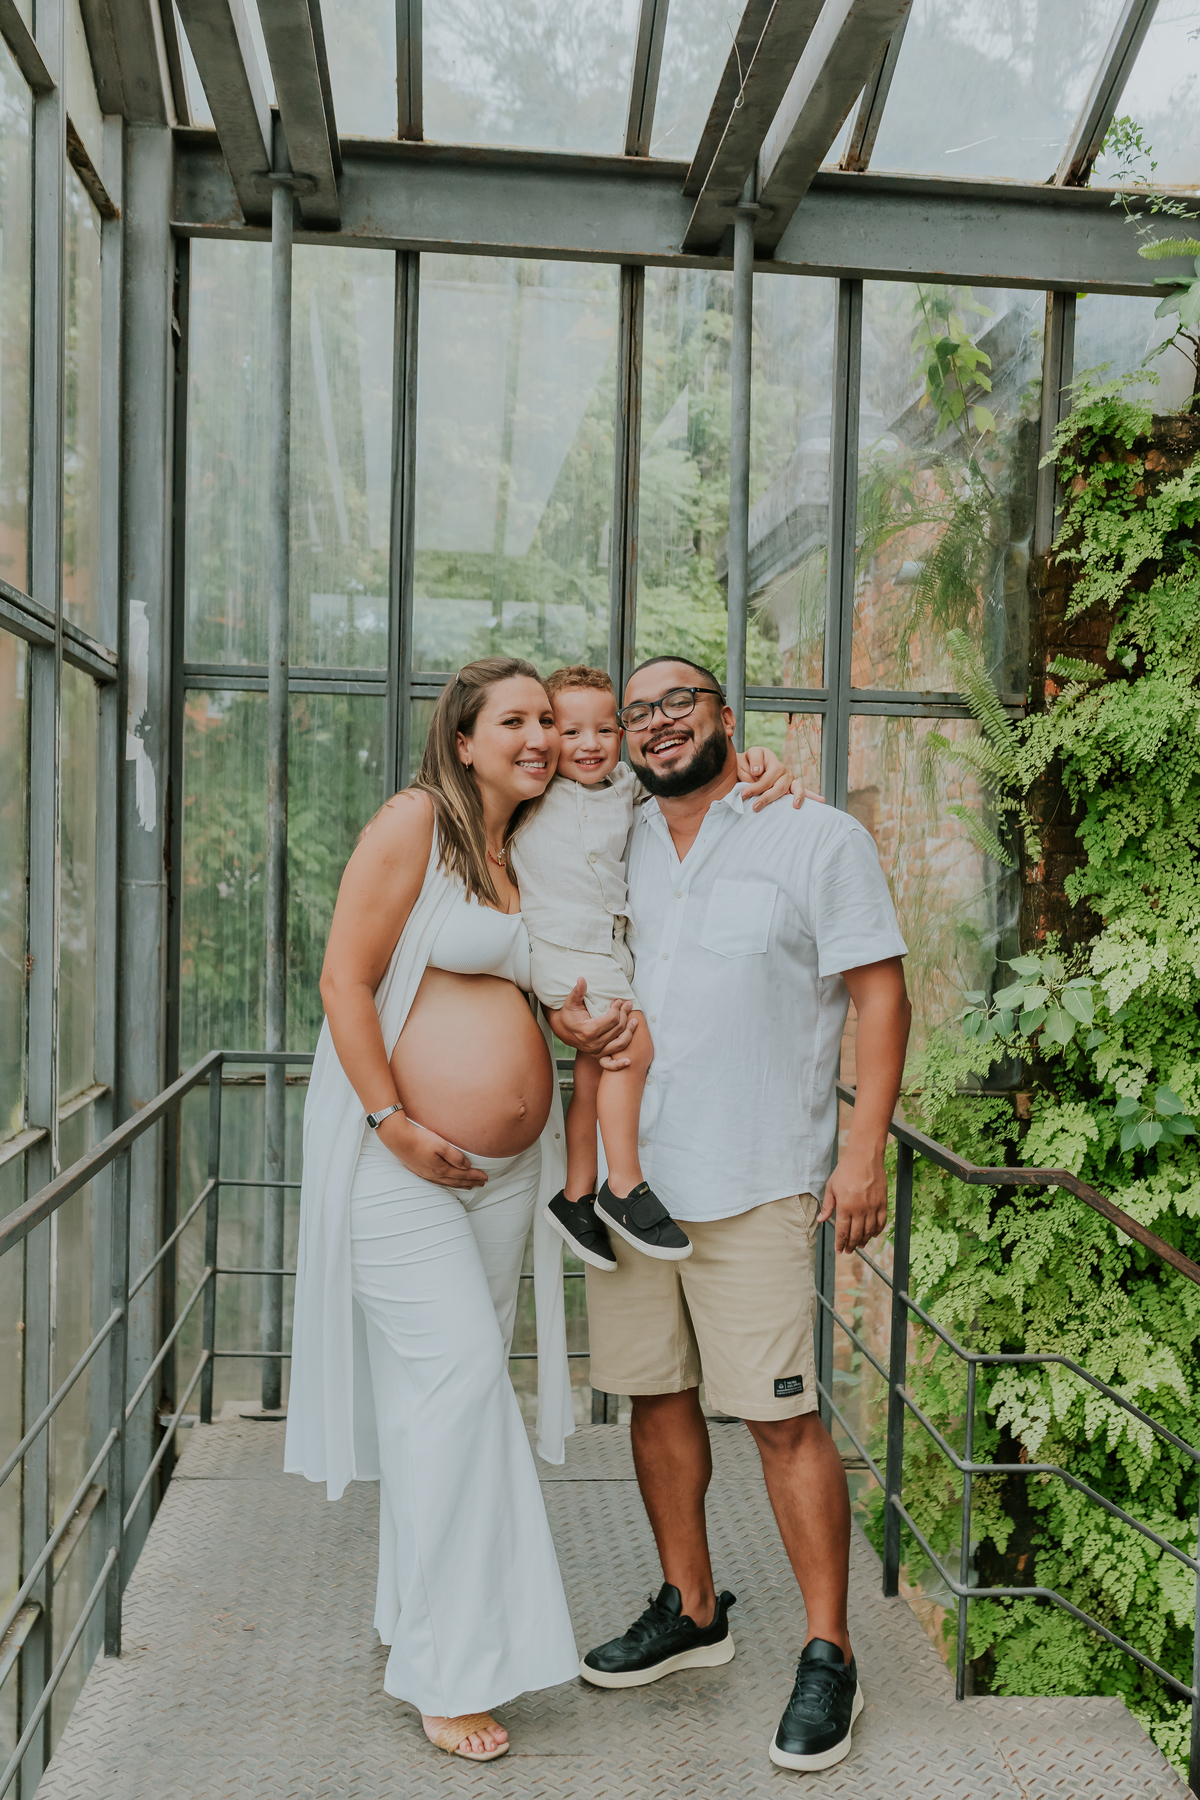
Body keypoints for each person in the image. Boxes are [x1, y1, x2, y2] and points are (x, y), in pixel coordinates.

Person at [282, 655, 801, 1764]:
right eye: (510, 722)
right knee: (465, 1389)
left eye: (545, 722)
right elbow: (341, 980)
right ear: (460, 739)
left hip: (503, 1180)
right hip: (404, 1168)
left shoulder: (531, 839)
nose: (535, 737)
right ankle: (451, 1673)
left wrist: (754, 767)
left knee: (442, 1409)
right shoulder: (415, 821)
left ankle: (412, 1625)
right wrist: (390, 1121)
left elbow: (548, 959)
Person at [549, 655, 911, 1775]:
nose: (655, 726)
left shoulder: (810, 835)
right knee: (653, 1400)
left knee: (779, 1420)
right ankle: (692, 1607)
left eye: (677, 705)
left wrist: (861, 1160)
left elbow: (880, 992)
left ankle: (828, 1653)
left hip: (757, 1179)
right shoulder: (615, 832)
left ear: (726, 720)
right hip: (630, 1184)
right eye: (640, 711)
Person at [512, 663, 806, 1271]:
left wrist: (759, 760)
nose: (589, 746)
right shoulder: (531, 795)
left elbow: (693, 773)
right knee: (632, 1049)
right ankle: (624, 1186)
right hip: (569, 950)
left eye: (604, 730)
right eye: (570, 733)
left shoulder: (626, 788)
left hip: (606, 948)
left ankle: (576, 1194)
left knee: (598, 1066)